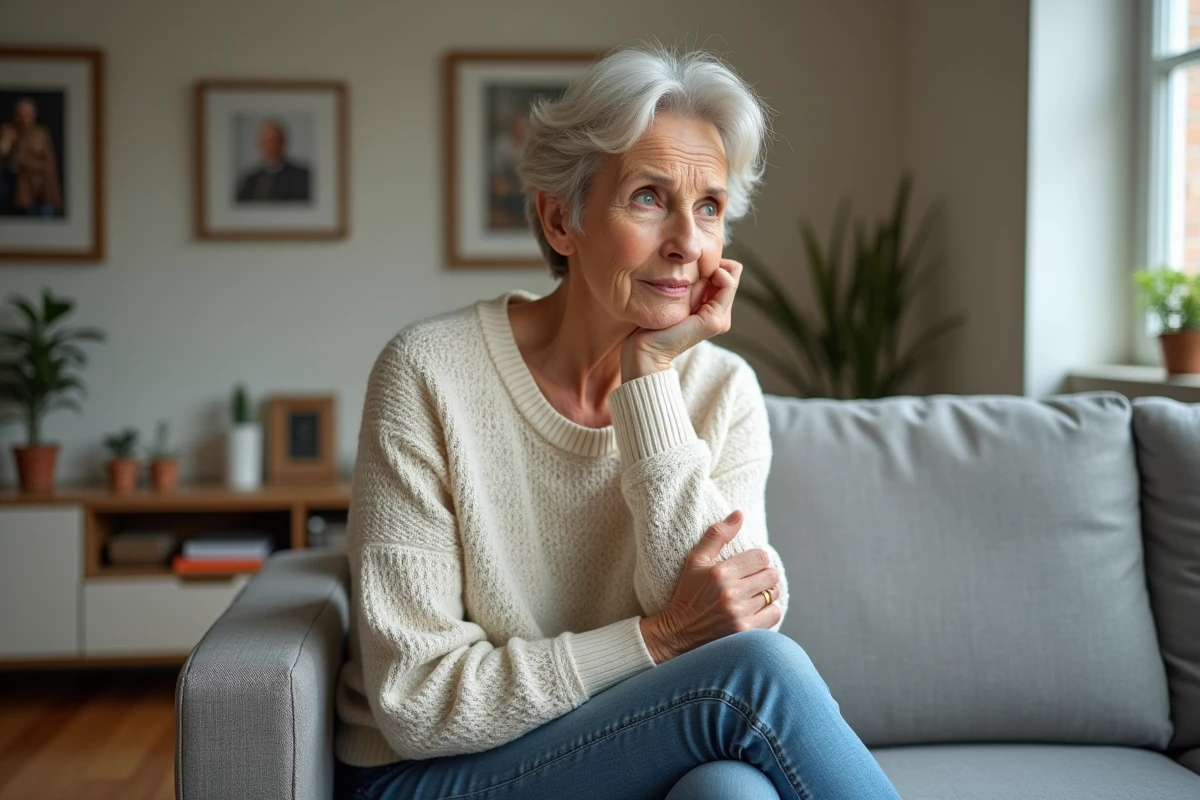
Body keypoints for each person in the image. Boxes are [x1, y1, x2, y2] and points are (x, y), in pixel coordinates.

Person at [333, 44, 901, 800]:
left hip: (618, 749)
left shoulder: (723, 390)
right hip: (431, 777)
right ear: (559, 220)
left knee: (731, 793)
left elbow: (730, 624)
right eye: (647, 198)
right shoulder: (428, 373)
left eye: (710, 208)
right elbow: (418, 700)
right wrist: (657, 640)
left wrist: (651, 381)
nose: (687, 245)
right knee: (756, 680)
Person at [0, 97, 63, 217]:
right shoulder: (9, 131)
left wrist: (24, 162)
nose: (23, 119)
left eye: (26, 115)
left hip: (39, 189)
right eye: (19, 115)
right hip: (14, 191)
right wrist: (6, 141)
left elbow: (49, 165)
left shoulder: (41, 134)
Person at [234, 118, 311, 203]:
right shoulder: (251, 179)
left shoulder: (301, 176)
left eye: (274, 140)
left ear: (282, 142)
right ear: (259, 144)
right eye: (266, 141)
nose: (270, 145)